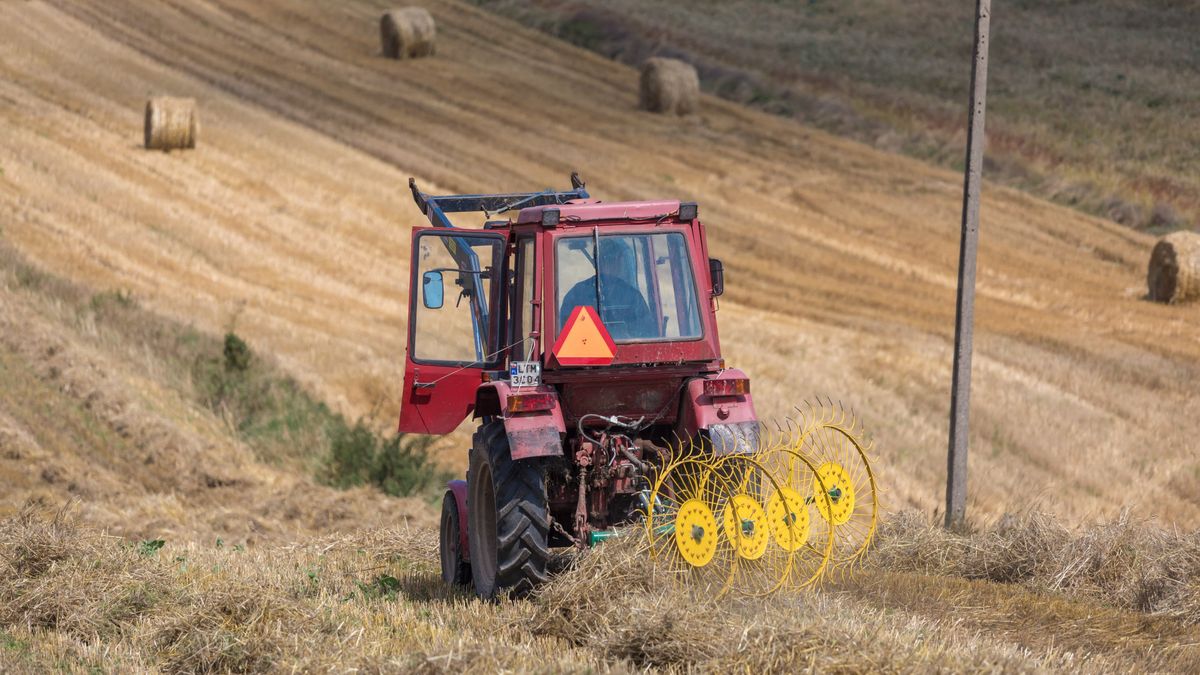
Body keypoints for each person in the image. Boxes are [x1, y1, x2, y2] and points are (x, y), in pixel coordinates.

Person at [560, 238, 657, 340]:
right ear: (598, 262)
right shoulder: (577, 294)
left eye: (613, 260)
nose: (611, 265)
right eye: (608, 260)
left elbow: (648, 337)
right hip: (589, 349)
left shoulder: (632, 296)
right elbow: (566, 338)